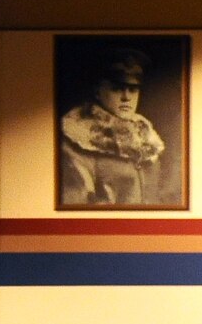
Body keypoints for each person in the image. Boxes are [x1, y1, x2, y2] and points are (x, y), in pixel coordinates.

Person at [58, 47, 170, 207]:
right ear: (97, 91)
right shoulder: (78, 138)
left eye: (133, 89)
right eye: (117, 88)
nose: (126, 97)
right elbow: (76, 205)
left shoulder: (147, 137)